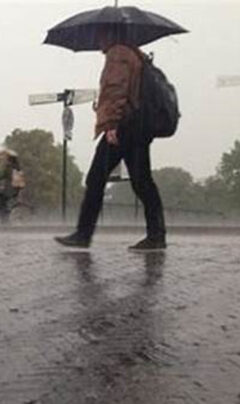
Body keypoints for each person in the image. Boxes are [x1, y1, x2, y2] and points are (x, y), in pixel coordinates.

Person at [56, 29, 166, 251]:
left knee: (96, 178)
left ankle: (83, 234)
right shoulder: (135, 54)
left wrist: (112, 124)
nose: (97, 40)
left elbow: (116, 90)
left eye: (100, 36)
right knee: (143, 182)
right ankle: (156, 235)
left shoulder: (118, 54)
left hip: (123, 126)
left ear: (109, 34)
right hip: (139, 126)